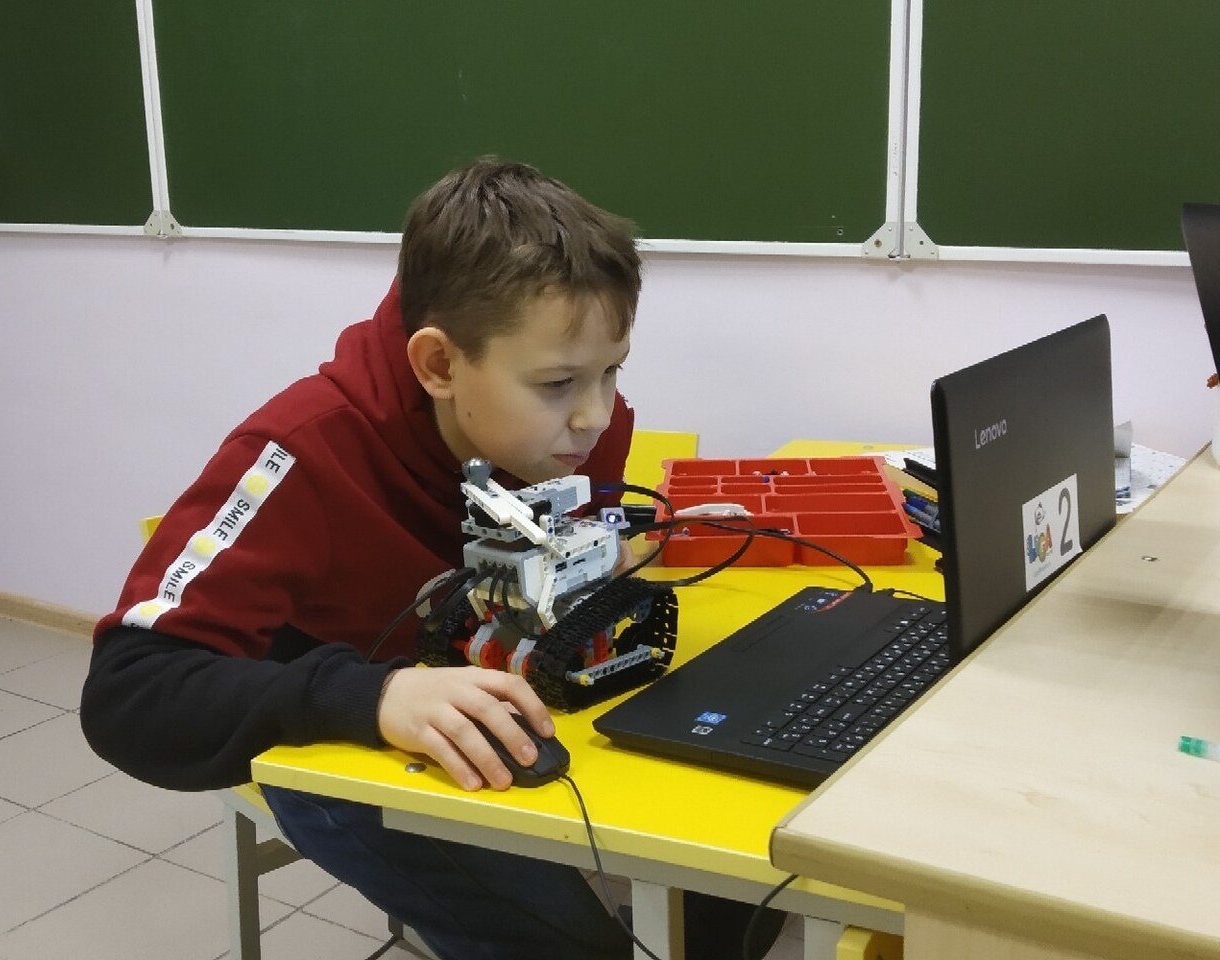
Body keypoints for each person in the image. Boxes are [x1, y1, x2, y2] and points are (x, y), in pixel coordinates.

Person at [81, 158, 782, 960]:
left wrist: (596, 560)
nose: (597, 415)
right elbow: (129, 692)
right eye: (559, 383)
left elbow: (570, 538)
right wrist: (374, 696)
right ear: (440, 365)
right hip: (341, 729)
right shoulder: (302, 453)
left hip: (515, 685)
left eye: (611, 370)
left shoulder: (577, 425)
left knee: (747, 863)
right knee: (569, 950)